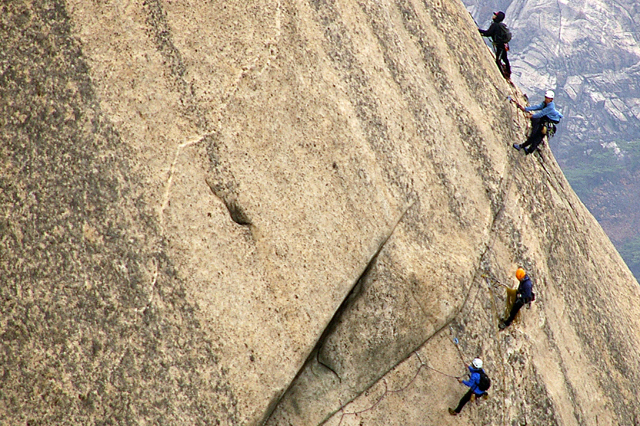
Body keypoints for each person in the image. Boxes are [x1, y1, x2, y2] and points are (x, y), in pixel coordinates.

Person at [513, 90, 564, 154]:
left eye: (548, 98)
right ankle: (529, 150)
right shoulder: (545, 103)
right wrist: (526, 109)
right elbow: (538, 107)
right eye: (546, 97)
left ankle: (522, 147)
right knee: (537, 136)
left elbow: (541, 114)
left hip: (547, 120)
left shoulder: (550, 107)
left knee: (536, 135)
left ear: (551, 99)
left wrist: (531, 116)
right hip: (545, 118)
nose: (546, 99)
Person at [478, 11, 511, 81]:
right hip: (504, 44)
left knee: (498, 60)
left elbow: (488, 33)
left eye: (495, 15)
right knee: (505, 58)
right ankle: (508, 72)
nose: (493, 16)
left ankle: (504, 76)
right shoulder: (501, 25)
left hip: (500, 45)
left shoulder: (495, 25)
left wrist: (479, 31)